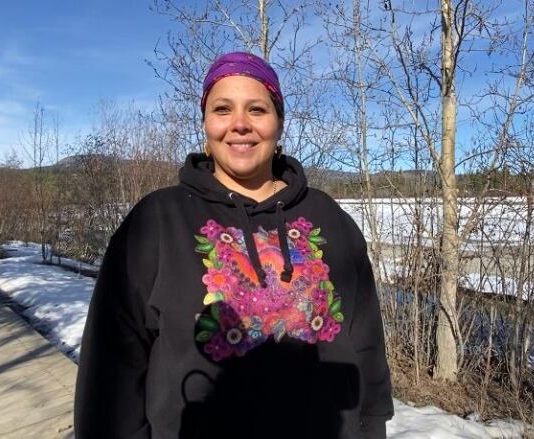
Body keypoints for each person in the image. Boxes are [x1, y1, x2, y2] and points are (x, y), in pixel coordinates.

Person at [74, 52, 393, 439]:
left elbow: (366, 342)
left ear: (278, 123)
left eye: (256, 109)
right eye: (222, 109)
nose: (240, 125)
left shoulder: (327, 216)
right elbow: (112, 366)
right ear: (206, 123)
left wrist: (372, 424)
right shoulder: (158, 219)